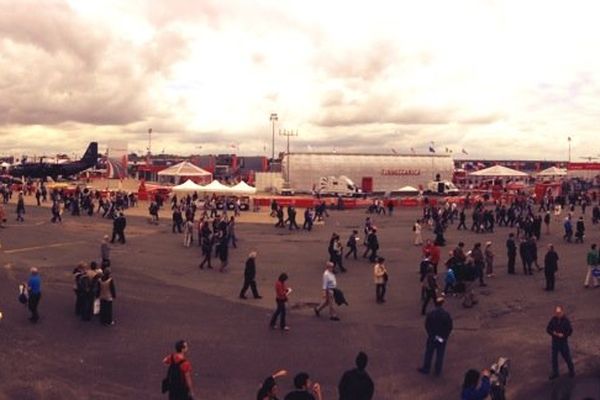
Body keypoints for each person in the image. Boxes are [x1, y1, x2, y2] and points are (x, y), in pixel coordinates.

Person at [417, 297, 453, 376]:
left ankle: (426, 368)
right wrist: (445, 336)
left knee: (429, 352)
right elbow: (449, 326)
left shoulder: (431, 314)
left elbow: (427, 325)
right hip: (441, 337)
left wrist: (430, 334)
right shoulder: (446, 315)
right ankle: (437, 370)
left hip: (432, 336)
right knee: (440, 354)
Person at [547, 305, 575, 379]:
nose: (558, 314)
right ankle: (555, 373)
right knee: (554, 358)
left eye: (559, 312)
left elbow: (570, 331)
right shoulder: (553, 320)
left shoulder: (566, 321)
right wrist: (553, 333)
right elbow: (548, 329)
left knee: (566, 357)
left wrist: (563, 335)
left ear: (562, 312)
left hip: (563, 342)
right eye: (556, 312)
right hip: (555, 342)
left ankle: (571, 371)